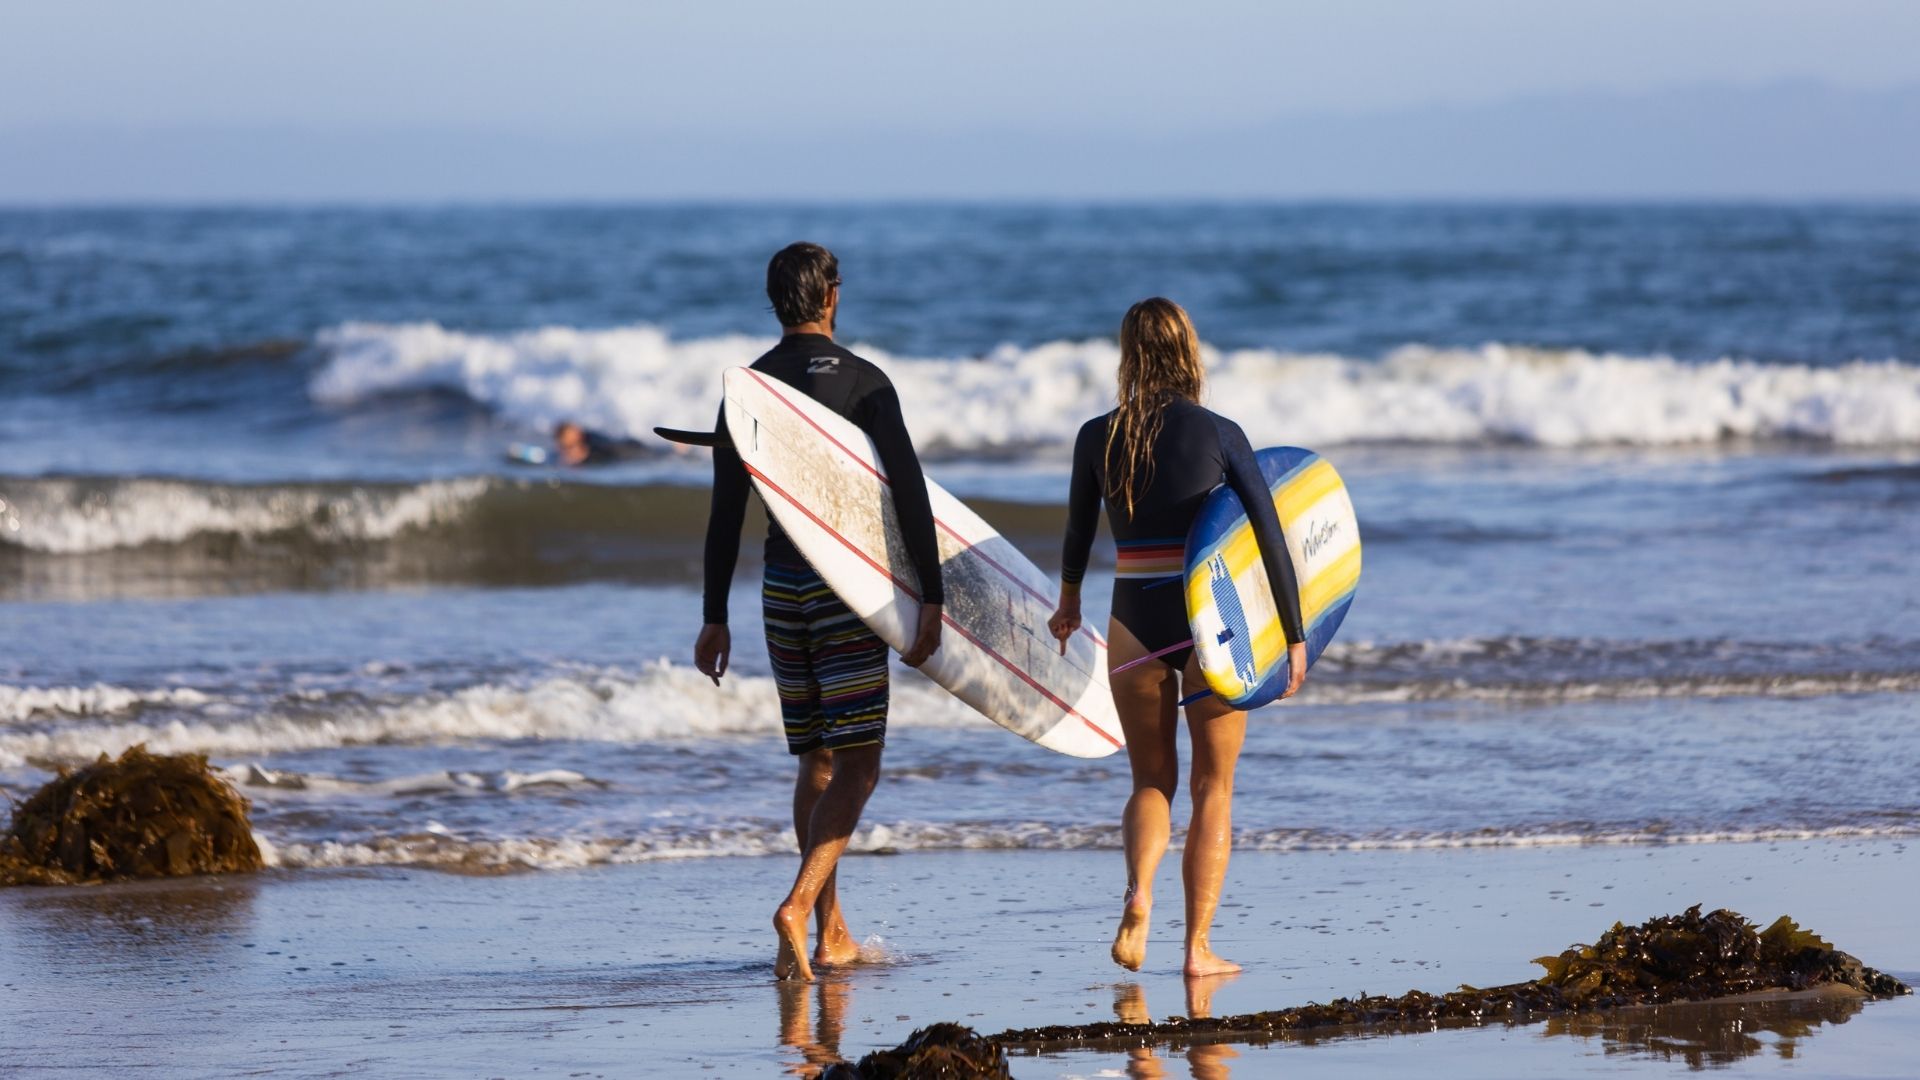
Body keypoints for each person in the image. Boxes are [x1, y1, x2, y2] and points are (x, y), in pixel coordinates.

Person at [695, 242, 944, 983]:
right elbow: (910, 493)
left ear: (777, 302)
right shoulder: (867, 384)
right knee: (861, 766)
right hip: (847, 589)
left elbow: (723, 513)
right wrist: (932, 595)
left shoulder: (750, 390)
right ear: (832, 296)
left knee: (817, 760)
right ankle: (799, 905)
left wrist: (714, 614)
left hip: (780, 589)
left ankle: (832, 929)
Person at [1048, 297, 1307, 978]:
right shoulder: (1220, 433)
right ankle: (1196, 952)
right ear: (1188, 349)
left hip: (1133, 618)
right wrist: (1295, 633)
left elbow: (1077, 534)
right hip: (1212, 623)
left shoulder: (1096, 437)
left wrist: (1068, 601)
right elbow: (1271, 538)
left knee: (1150, 781)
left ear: (1129, 354)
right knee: (1213, 787)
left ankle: (1139, 892)